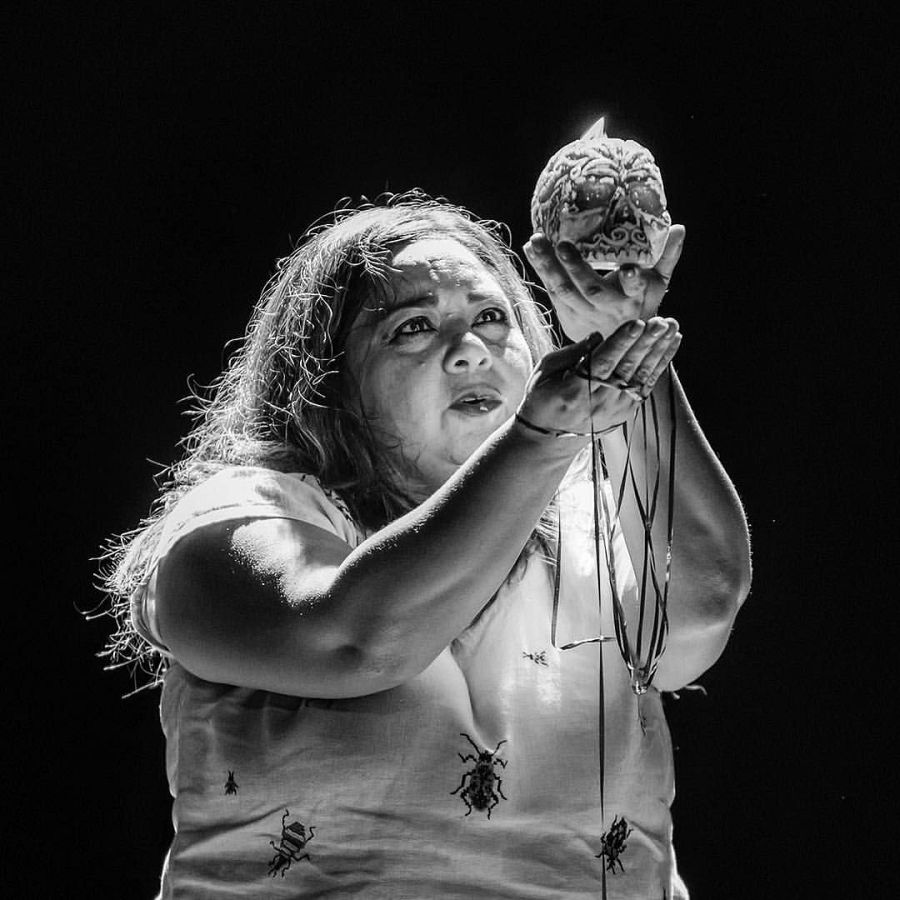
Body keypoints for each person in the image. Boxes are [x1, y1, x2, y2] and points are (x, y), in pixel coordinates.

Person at [100, 192, 750, 899]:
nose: (470, 349)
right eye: (414, 327)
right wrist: (539, 438)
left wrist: (630, 349)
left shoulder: (595, 524)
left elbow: (701, 613)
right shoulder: (234, 520)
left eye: (493, 318)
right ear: (327, 384)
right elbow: (357, 641)